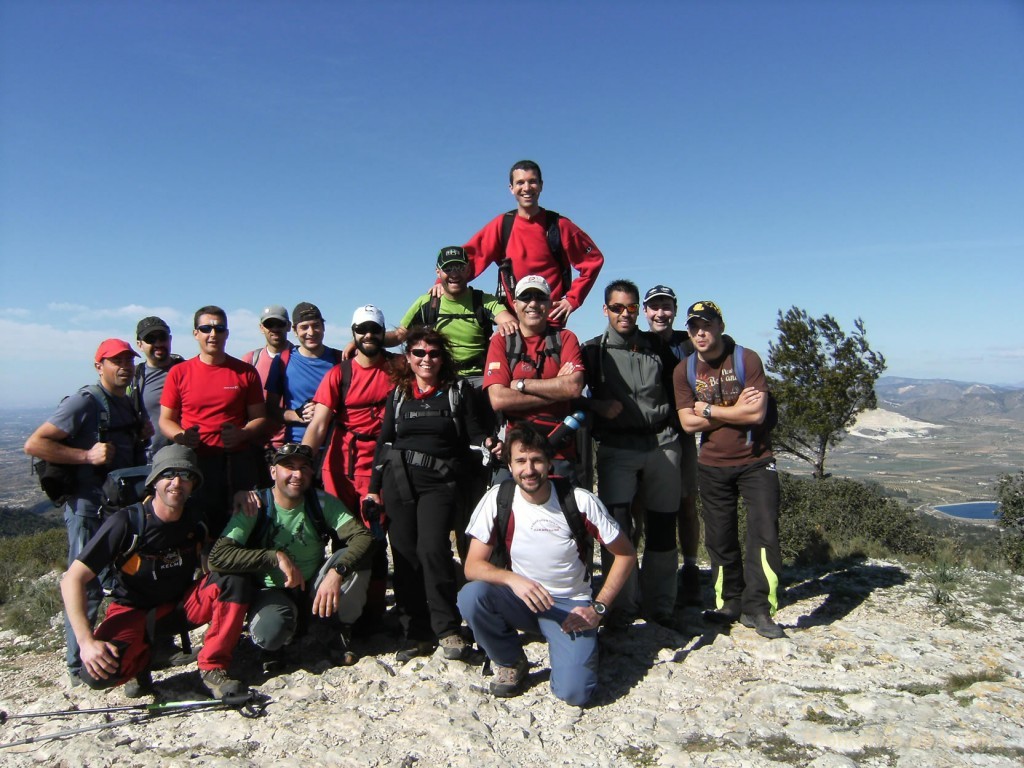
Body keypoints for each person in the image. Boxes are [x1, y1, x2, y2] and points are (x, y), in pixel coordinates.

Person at [458, 426, 636, 705]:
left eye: (537, 460)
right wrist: (514, 580)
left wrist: (598, 609)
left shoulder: (578, 501)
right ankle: (510, 661)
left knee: (574, 693)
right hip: (522, 598)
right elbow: (472, 566)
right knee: (471, 596)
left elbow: (625, 554)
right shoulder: (498, 498)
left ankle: (575, 651)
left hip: (570, 606)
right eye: (520, 461)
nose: (529, 470)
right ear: (509, 464)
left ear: (550, 463)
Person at [59, 444, 250, 698]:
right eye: (168, 474)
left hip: (181, 606)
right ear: (155, 481)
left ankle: (213, 668)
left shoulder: (197, 519)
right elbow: (72, 579)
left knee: (234, 580)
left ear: (194, 484)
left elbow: (211, 559)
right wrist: (86, 642)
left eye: (186, 475)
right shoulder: (127, 522)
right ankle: (141, 663)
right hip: (133, 610)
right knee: (98, 674)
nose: (177, 482)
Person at [366, 327, 500, 662]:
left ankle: (447, 628)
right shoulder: (399, 394)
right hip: (397, 481)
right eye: (419, 353)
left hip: (439, 483)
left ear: (444, 357)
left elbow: (474, 432)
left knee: (433, 551)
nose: (427, 359)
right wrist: (372, 490)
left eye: (434, 353)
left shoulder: (456, 392)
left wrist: (488, 443)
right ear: (408, 357)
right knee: (406, 555)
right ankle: (416, 632)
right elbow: (385, 442)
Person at [24, 338, 150, 685]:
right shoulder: (85, 401)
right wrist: (86, 456)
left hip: (120, 507)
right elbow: (35, 443)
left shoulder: (128, 401)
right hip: (88, 506)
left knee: (124, 580)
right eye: (115, 361)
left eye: (128, 359)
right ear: (99, 366)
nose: (124, 366)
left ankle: (124, 654)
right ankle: (78, 665)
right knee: (85, 582)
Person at [673, 300, 786, 639]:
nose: (700, 332)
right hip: (712, 465)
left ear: (720, 326)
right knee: (720, 539)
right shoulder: (685, 370)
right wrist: (732, 409)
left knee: (764, 534)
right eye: (694, 327)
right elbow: (686, 424)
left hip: (756, 461)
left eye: (706, 325)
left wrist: (707, 409)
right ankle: (729, 603)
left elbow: (755, 415)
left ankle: (760, 608)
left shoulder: (746, 359)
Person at [208, 443, 374, 670]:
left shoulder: (320, 502)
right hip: (270, 589)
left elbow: (362, 537)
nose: (297, 474)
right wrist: (273, 557)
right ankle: (277, 643)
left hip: (312, 585)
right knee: (270, 633)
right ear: (273, 471)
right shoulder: (255, 505)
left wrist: (337, 571)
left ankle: (336, 630)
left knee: (355, 558)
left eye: (303, 468)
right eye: (288, 467)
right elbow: (218, 557)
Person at [582, 279, 683, 627]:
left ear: (638, 309)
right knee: (617, 528)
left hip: (662, 444)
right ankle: (621, 607)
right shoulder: (592, 351)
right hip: (617, 448)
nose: (624, 314)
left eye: (630, 307)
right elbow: (571, 395)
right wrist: (596, 404)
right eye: (617, 307)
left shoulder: (658, 346)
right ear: (605, 309)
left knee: (662, 525)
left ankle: (660, 606)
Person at [303, 305, 398, 627]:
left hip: (383, 467)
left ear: (383, 333)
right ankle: (343, 613)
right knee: (345, 540)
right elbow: (319, 424)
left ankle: (371, 613)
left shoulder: (400, 368)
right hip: (342, 467)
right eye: (362, 330)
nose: (368, 335)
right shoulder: (339, 374)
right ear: (353, 333)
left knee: (377, 539)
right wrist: (302, 460)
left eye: (374, 329)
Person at [159, 306, 268, 536]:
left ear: (226, 333)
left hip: (237, 463)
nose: (213, 334)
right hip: (195, 463)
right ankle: (205, 572)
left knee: (241, 528)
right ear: (195, 333)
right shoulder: (179, 373)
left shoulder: (245, 372)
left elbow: (260, 418)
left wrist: (243, 433)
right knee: (199, 529)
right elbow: (166, 420)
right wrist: (181, 436)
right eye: (206, 328)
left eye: (219, 328)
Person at [461, 160, 604, 324]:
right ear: (511, 188)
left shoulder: (559, 226)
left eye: (532, 181)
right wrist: (441, 282)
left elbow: (593, 261)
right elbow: (470, 257)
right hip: (514, 326)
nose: (526, 188)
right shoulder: (502, 225)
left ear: (541, 185)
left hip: (551, 324)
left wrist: (572, 300)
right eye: (520, 182)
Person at [482, 275, 585, 482]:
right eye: (525, 297)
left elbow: (573, 388)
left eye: (540, 298)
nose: (533, 304)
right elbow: (498, 399)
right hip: (517, 453)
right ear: (514, 303)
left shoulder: (566, 338)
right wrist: (557, 392)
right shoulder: (502, 341)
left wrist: (520, 385)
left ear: (550, 303)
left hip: (559, 452)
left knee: (565, 513)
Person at [642, 285, 702, 607]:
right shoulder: (637, 342)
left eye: (666, 307)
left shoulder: (688, 344)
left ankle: (690, 569)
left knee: (686, 502)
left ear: (675, 311)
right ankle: (643, 572)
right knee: (641, 506)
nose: (660, 313)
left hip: (682, 434)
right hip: (646, 436)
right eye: (655, 307)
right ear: (645, 311)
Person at [389, 246, 517, 382]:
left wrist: (505, 327)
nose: (454, 274)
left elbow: (509, 322)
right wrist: (370, 336)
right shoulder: (427, 303)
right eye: (448, 269)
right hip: (441, 377)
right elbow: (398, 336)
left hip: (479, 377)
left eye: (460, 268)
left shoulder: (483, 301)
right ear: (438, 272)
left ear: (468, 270)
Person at [265, 302, 342, 445]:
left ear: (323, 327)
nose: (311, 332)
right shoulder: (282, 361)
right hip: (296, 446)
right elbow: (270, 409)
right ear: (294, 330)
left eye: (316, 325)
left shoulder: (339, 360)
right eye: (304, 327)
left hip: (334, 446)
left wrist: (327, 413)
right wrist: (297, 415)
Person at [132, 316, 184, 461]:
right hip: (146, 460)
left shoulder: (187, 372)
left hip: (182, 458)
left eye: (162, 337)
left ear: (170, 339)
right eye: (151, 339)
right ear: (139, 345)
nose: (158, 343)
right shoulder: (133, 378)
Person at [243, 304, 292, 450]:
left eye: (280, 324)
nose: (275, 329)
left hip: (291, 442)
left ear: (289, 326)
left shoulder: (298, 359)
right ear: (261, 328)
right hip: (258, 444)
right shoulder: (251, 360)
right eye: (269, 324)